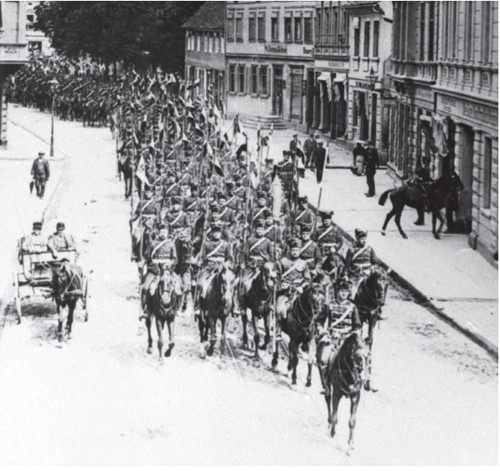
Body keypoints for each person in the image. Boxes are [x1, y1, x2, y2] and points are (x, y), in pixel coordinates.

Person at [315, 280, 361, 393]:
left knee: (361, 357)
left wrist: (354, 335)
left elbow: (357, 326)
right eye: (341, 291)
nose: (344, 293)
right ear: (337, 292)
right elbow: (319, 321)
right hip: (333, 338)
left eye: (346, 291)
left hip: (348, 338)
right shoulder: (329, 305)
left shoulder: (352, 307)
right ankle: (326, 385)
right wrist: (321, 330)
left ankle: (362, 381)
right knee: (323, 360)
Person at [140, 224, 180, 320]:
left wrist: (169, 265)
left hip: (167, 271)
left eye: (164, 232)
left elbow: (175, 259)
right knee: (145, 287)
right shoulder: (153, 243)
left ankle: (176, 309)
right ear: (158, 233)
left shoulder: (171, 244)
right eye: (161, 232)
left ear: (167, 233)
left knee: (179, 286)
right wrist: (152, 265)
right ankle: (146, 310)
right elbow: (148, 257)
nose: (163, 234)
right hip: (154, 271)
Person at [193, 223, 233, 315]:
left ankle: (233, 305)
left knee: (230, 283)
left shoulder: (226, 244)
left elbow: (229, 257)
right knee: (201, 284)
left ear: (221, 233)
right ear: (212, 233)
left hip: (222, 268)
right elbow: (202, 257)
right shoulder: (206, 244)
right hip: (209, 267)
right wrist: (200, 262)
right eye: (214, 232)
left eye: (218, 232)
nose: (216, 234)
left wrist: (226, 264)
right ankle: (198, 305)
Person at [276, 239, 311, 329]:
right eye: (293, 250)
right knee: (279, 309)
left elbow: (307, 279)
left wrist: (302, 287)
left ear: (300, 251)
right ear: (290, 250)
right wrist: (282, 284)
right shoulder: (283, 261)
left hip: (299, 291)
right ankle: (278, 329)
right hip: (285, 292)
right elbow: (277, 276)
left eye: (297, 250)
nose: (295, 252)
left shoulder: (303, 263)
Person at [345, 229, 380, 295]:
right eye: (362, 239)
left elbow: (375, 262)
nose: (364, 241)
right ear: (357, 239)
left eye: (365, 239)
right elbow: (347, 265)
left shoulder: (370, 249)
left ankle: (380, 300)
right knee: (352, 292)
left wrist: (373, 267)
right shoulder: (351, 250)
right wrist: (346, 275)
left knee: (377, 287)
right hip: (355, 274)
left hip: (367, 274)